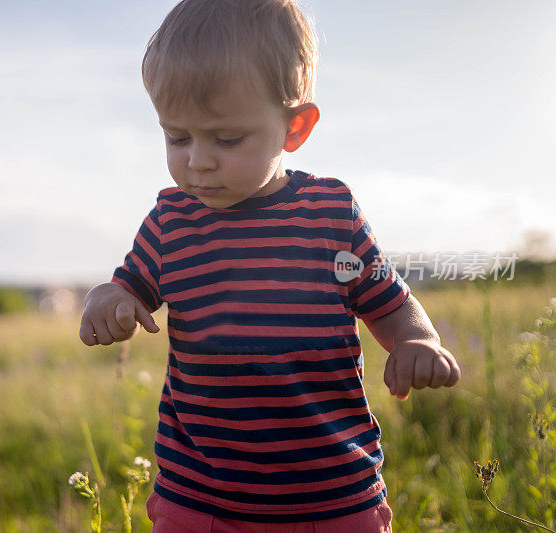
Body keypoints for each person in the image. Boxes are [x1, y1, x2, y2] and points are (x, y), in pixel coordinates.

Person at [78, 1, 461, 531]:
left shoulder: (331, 215)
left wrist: (418, 341)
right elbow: (127, 287)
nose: (198, 160)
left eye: (226, 139)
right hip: (200, 499)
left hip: (334, 497)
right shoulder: (171, 222)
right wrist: (109, 300)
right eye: (177, 137)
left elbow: (390, 301)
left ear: (295, 127)